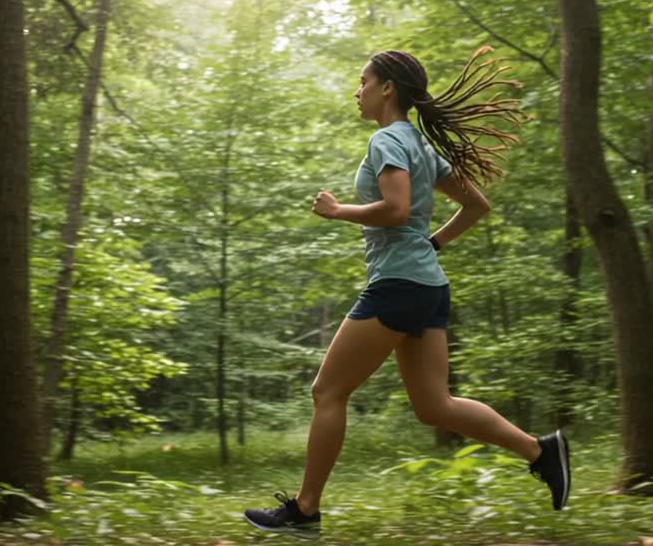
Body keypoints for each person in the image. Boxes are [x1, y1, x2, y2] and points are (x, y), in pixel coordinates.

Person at [244, 47, 572, 536]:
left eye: (363, 82)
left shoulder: (388, 141)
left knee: (328, 391)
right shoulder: (419, 145)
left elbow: (396, 209)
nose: (357, 92)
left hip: (398, 285)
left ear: (387, 89)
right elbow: (476, 205)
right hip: (427, 286)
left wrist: (340, 212)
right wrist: (432, 242)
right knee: (434, 406)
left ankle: (306, 510)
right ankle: (540, 451)